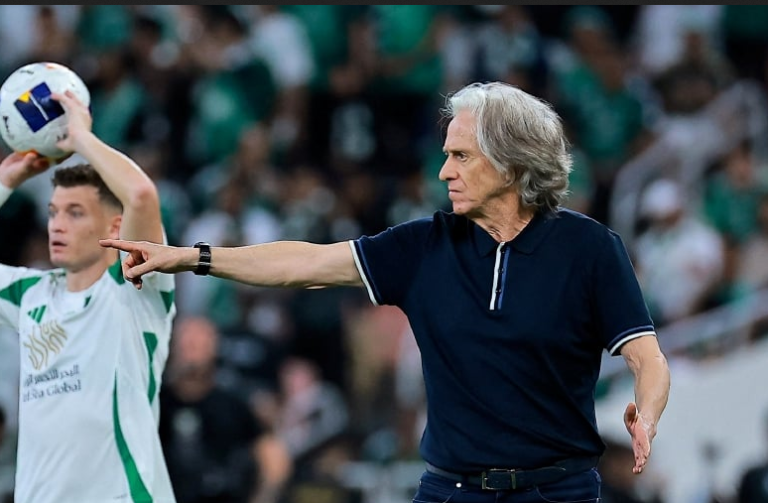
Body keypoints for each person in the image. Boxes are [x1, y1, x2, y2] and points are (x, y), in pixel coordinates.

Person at [101, 81, 671, 502]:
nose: (444, 171)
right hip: (450, 491)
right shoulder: (424, 246)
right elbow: (303, 262)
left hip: (558, 491)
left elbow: (647, 358)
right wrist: (191, 257)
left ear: (510, 161)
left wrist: (645, 417)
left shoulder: (590, 249)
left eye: (460, 156)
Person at [0, 90, 177, 503]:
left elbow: (141, 195)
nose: (57, 226)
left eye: (75, 213)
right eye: (53, 213)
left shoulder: (134, 284)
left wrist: (80, 137)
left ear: (115, 228)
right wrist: (5, 181)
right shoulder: (28, 294)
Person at [159, 315, 292, 503]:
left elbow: (274, 460)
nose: (192, 352)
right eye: (187, 344)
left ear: (214, 348)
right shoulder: (156, 401)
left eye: (199, 344)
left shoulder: (235, 403)